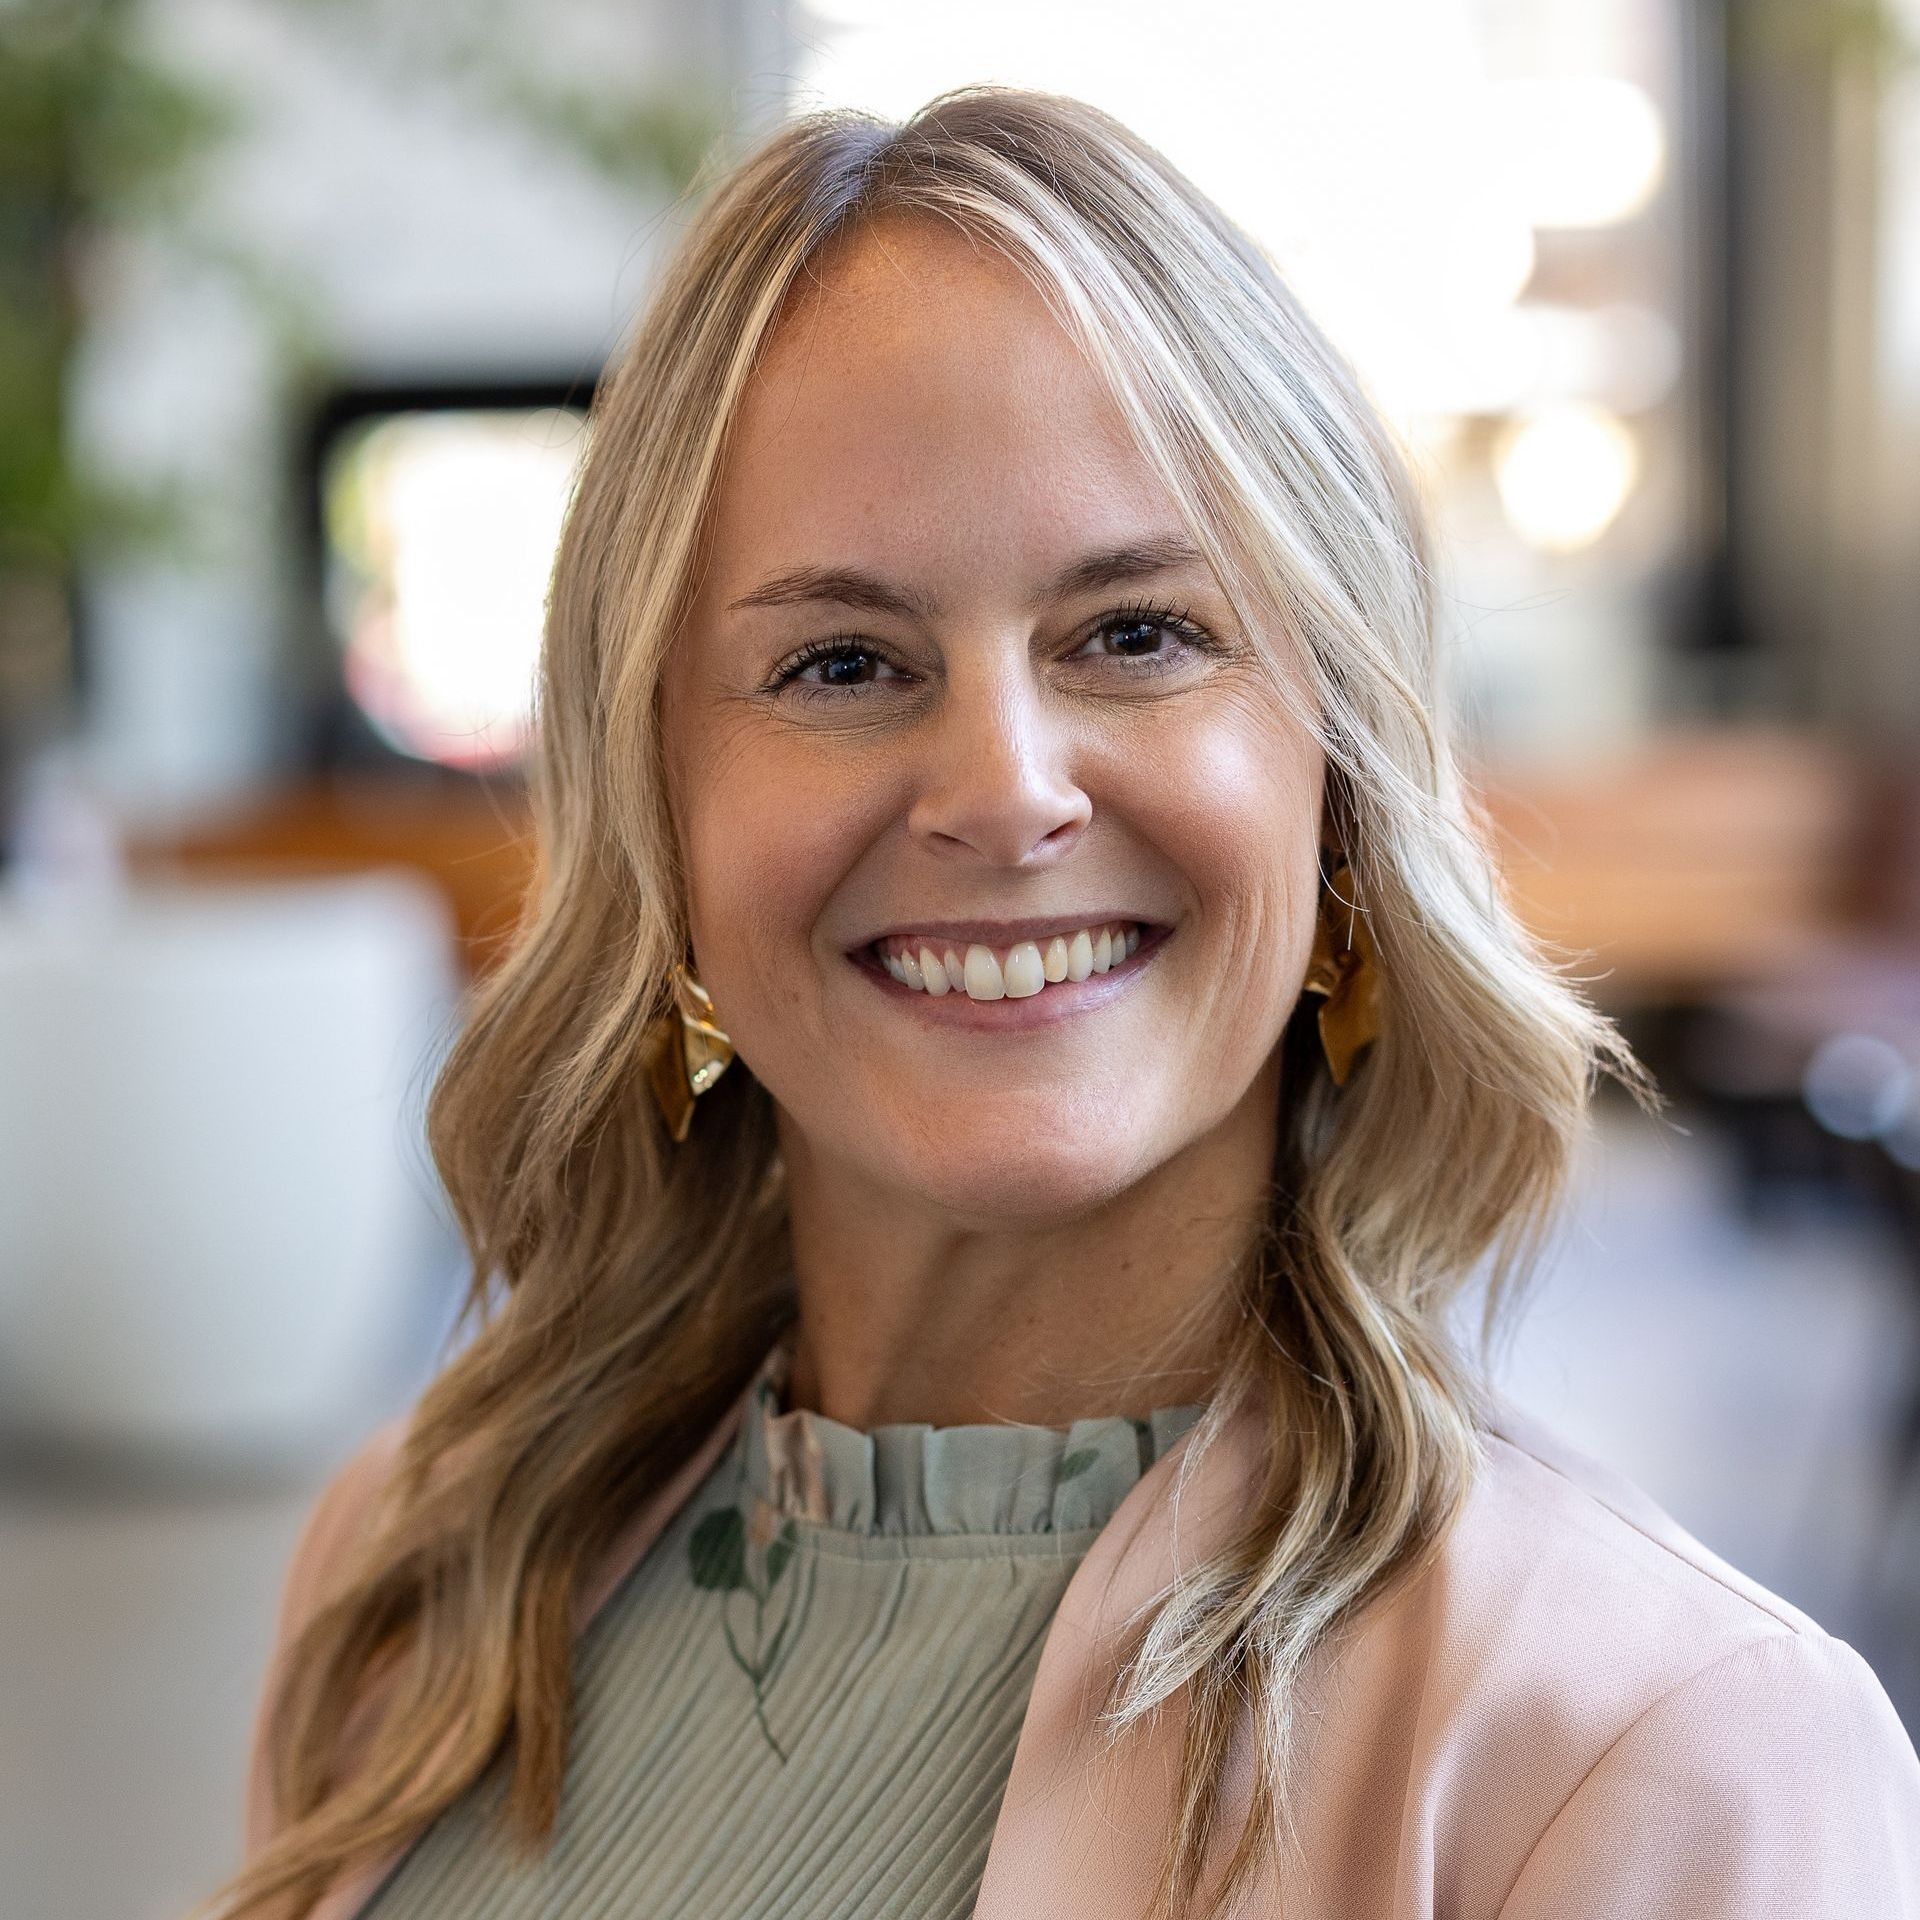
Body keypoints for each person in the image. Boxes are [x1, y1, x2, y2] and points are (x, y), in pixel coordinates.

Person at [204, 86, 1920, 1920]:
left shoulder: (1666, 1757)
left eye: (1135, 635)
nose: (1005, 789)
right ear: (662, 827)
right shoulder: (414, 1576)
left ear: (1336, 786)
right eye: (841, 660)